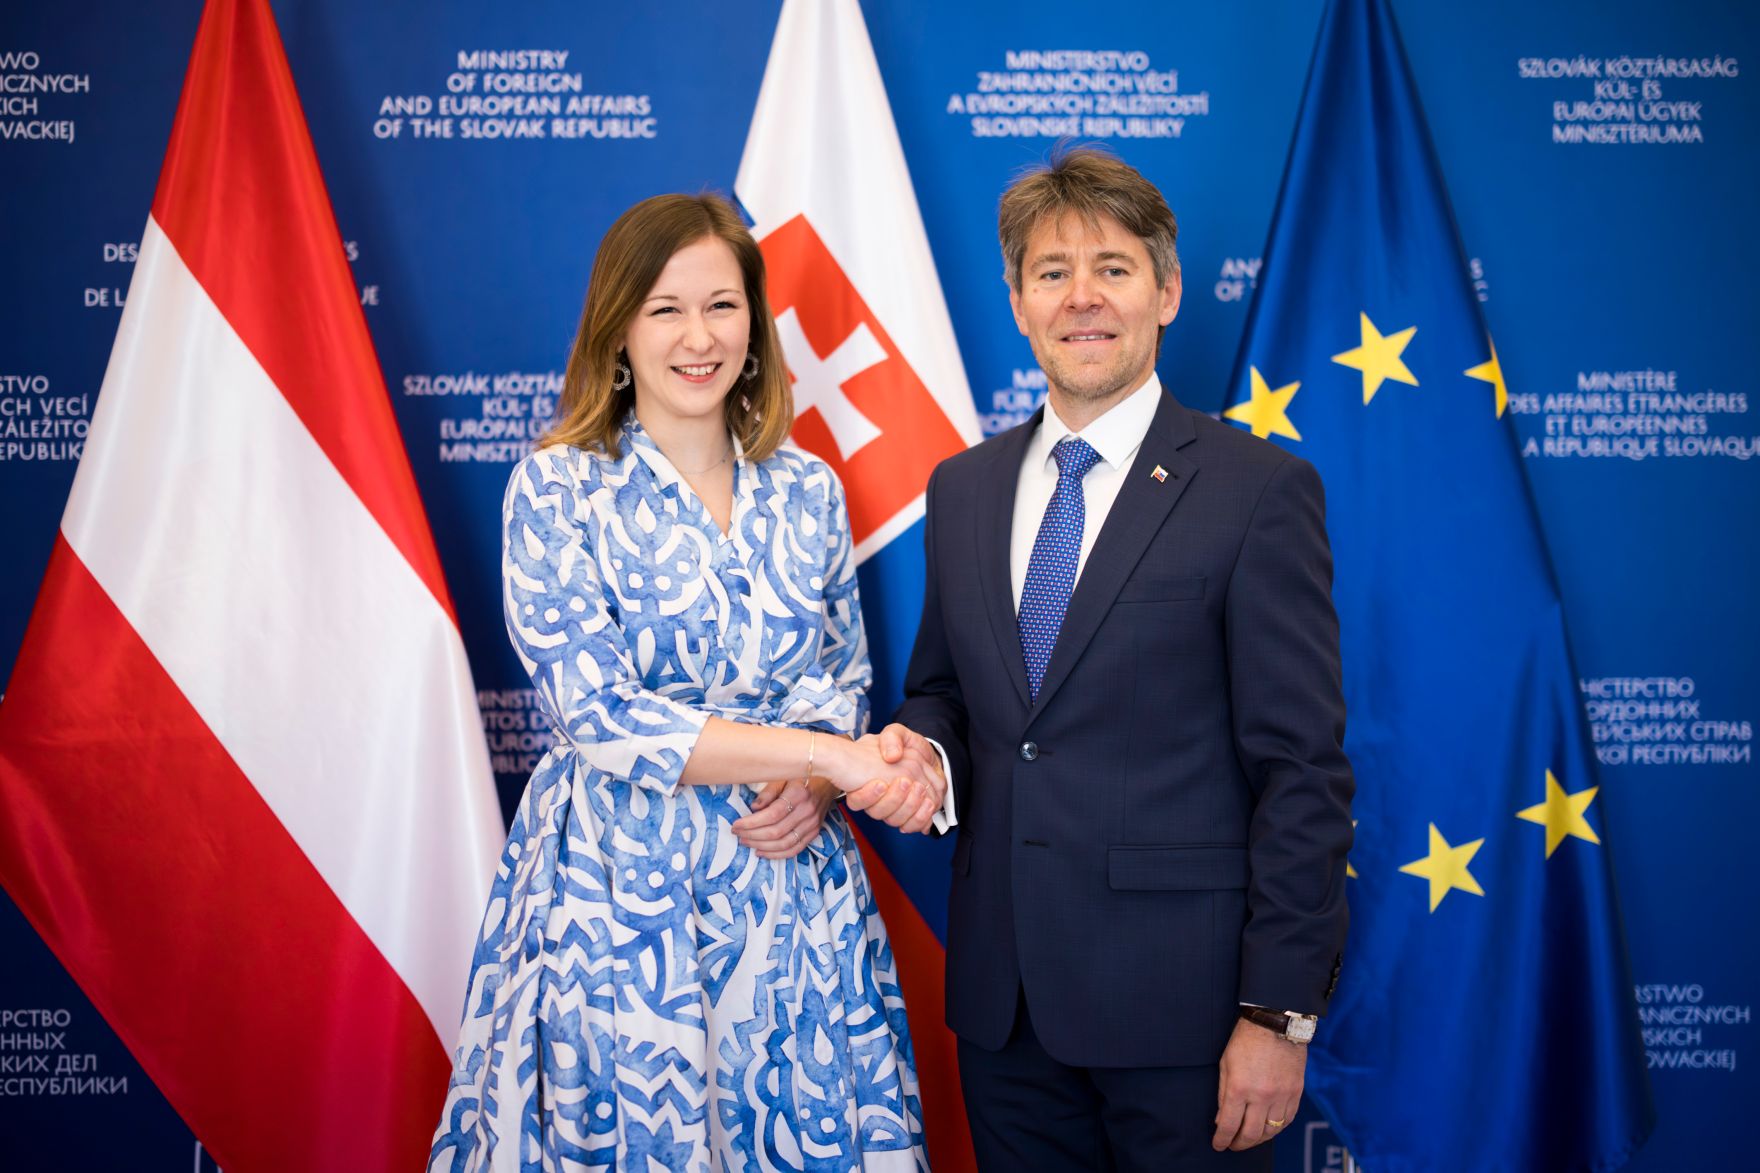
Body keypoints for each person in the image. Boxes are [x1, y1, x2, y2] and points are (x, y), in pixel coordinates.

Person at [428, 192, 946, 1173]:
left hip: (786, 879)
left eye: (721, 305)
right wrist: (828, 756)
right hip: (615, 895)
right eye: (664, 308)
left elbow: (839, 680)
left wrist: (819, 781)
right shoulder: (556, 485)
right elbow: (601, 716)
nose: (696, 336)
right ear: (617, 328)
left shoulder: (808, 490)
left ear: (754, 325)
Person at [882, 146, 1355, 1170]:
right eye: (1051, 272)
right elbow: (943, 695)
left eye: (1113, 268)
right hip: (1004, 1013)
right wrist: (921, 751)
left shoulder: (1254, 491)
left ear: (1166, 291)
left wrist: (1275, 1017)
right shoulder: (961, 490)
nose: (1081, 298)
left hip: (1186, 1023)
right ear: (1015, 301)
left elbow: (1300, 772)